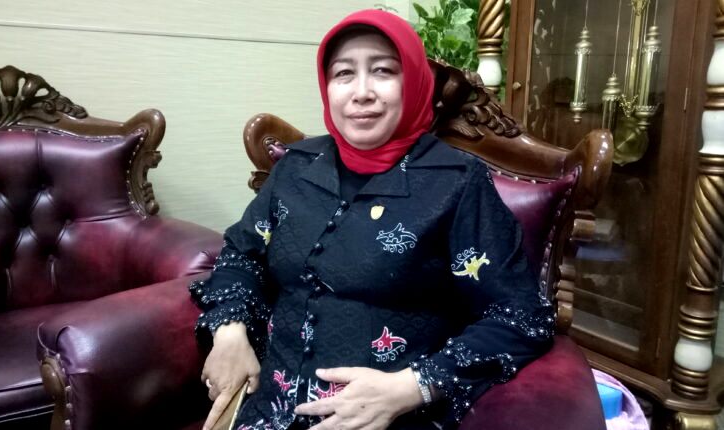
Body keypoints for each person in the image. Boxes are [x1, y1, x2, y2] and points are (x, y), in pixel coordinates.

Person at [189, 9, 554, 430]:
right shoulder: (297, 166)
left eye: (383, 71)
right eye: (344, 73)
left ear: (413, 83)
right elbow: (242, 252)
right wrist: (230, 331)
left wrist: (412, 386)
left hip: (385, 419)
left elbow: (520, 316)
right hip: (264, 410)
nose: (361, 92)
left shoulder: (456, 182)